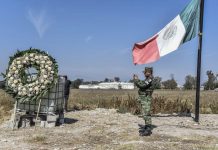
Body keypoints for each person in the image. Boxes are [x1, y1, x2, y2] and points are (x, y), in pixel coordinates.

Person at [133, 67, 154, 136]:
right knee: (144, 113)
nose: (145, 73)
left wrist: (136, 80)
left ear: (150, 72)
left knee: (146, 113)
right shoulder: (147, 79)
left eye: (147, 72)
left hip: (146, 98)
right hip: (144, 98)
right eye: (145, 72)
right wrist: (137, 80)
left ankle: (148, 130)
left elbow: (142, 85)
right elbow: (142, 83)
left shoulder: (150, 79)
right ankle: (146, 126)